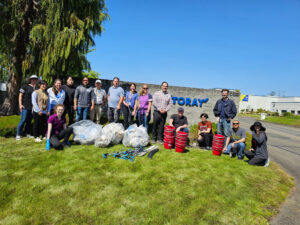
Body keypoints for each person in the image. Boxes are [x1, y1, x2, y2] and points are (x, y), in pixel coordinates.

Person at [16, 74, 39, 140]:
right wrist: (20, 105)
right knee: (23, 120)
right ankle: (18, 134)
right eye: (33, 79)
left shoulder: (37, 88)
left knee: (29, 121)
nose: (34, 80)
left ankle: (27, 133)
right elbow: (20, 95)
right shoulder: (25, 86)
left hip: (33, 107)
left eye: (35, 79)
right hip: (25, 106)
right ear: (30, 80)